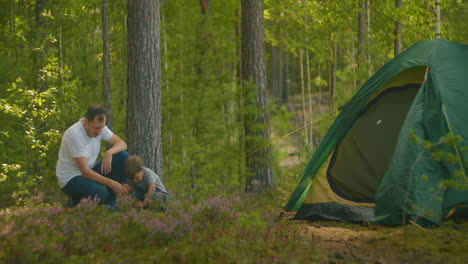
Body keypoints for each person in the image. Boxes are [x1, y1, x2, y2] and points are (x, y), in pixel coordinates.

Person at [56, 104, 130, 207]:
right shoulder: (75, 134)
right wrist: (112, 183)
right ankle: (77, 199)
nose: (99, 132)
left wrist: (109, 152)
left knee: (123, 157)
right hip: (71, 179)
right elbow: (85, 172)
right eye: (96, 128)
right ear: (86, 122)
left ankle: (108, 201)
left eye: (102, 128)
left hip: (89, 172)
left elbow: (122, 144)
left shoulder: (100, 126)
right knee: (103, 194)